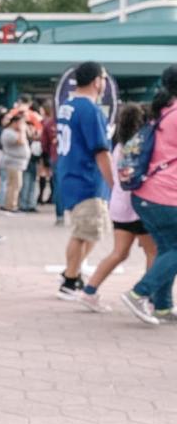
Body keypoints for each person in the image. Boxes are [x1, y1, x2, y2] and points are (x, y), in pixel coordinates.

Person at [79, 103, 155, 313]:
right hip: (138, 207)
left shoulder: (119, 146)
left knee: (119, 253)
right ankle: (148, 298)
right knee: (153, 252)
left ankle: (89, 290)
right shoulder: (141, 147)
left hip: (119, 206)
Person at [121, 65, 177, 325]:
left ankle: (163, 306)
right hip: (165, 197)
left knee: (168, 248)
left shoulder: (162, 112)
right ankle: (139, 293)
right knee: (174, 249)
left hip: (146, 194)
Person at [55, 61, 113, 300]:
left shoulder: (67, 105)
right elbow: (101, 151)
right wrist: (114, 184)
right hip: (87, 179)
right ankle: (70, 279)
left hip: (70, 174)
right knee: (85, 233)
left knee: (88, 231)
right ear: (96, 81)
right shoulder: (90, 110)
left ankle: (72, 271)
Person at [0, 113, 30, 215]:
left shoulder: (15, 132)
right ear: (15, 123)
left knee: (16, 185)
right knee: (14, 185)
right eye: (21, 123)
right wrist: (22, 130)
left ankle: (12, 205)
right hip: (12, 163)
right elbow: (20, 141)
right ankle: (10, 206)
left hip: (18, 163)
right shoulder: (8, 133)